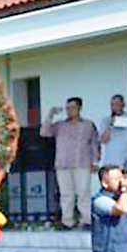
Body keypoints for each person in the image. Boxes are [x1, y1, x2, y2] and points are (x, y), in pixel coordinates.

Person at [42, 97, 100, 229]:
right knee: (66, 194)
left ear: (79, 108)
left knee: (83, 192)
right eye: (67, 108)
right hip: (62, 164)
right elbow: (44, 132)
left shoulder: (88, 125)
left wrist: (95, 160)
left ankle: (86, 220)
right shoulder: (60, 125)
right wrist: (50, 114)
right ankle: (67, 221)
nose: (69, 111)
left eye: (72, 108)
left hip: (82, 163)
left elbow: (94, 144)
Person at [98, 94, 127, 176]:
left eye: (117, 104)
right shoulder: (106, 121)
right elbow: (103, 140)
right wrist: (110, 125)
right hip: (111, 164)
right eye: (113, 105)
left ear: (123, 105)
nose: (115, 107)